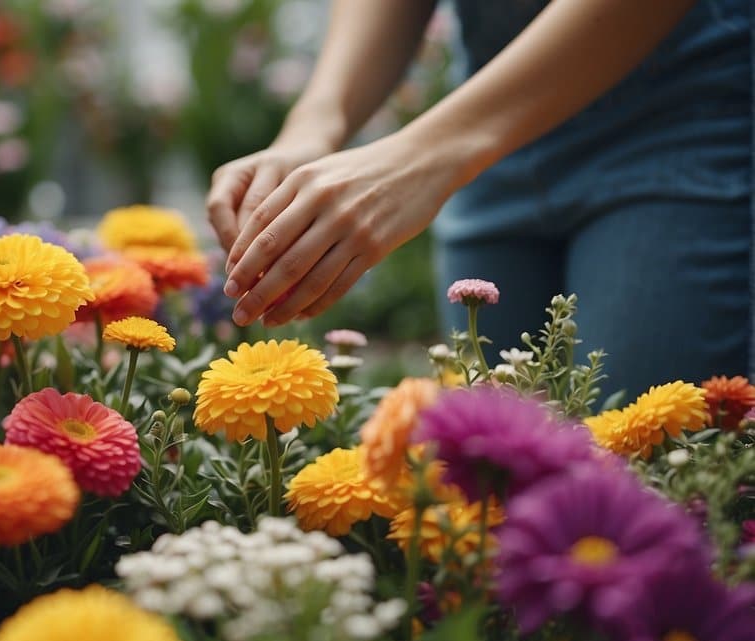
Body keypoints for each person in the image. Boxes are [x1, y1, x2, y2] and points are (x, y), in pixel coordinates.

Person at [207, 0, 751, 397]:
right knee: (486, 487)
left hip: (682, 120)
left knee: (648, 480)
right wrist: (312, 128)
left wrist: (426, 156)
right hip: (488, 131)